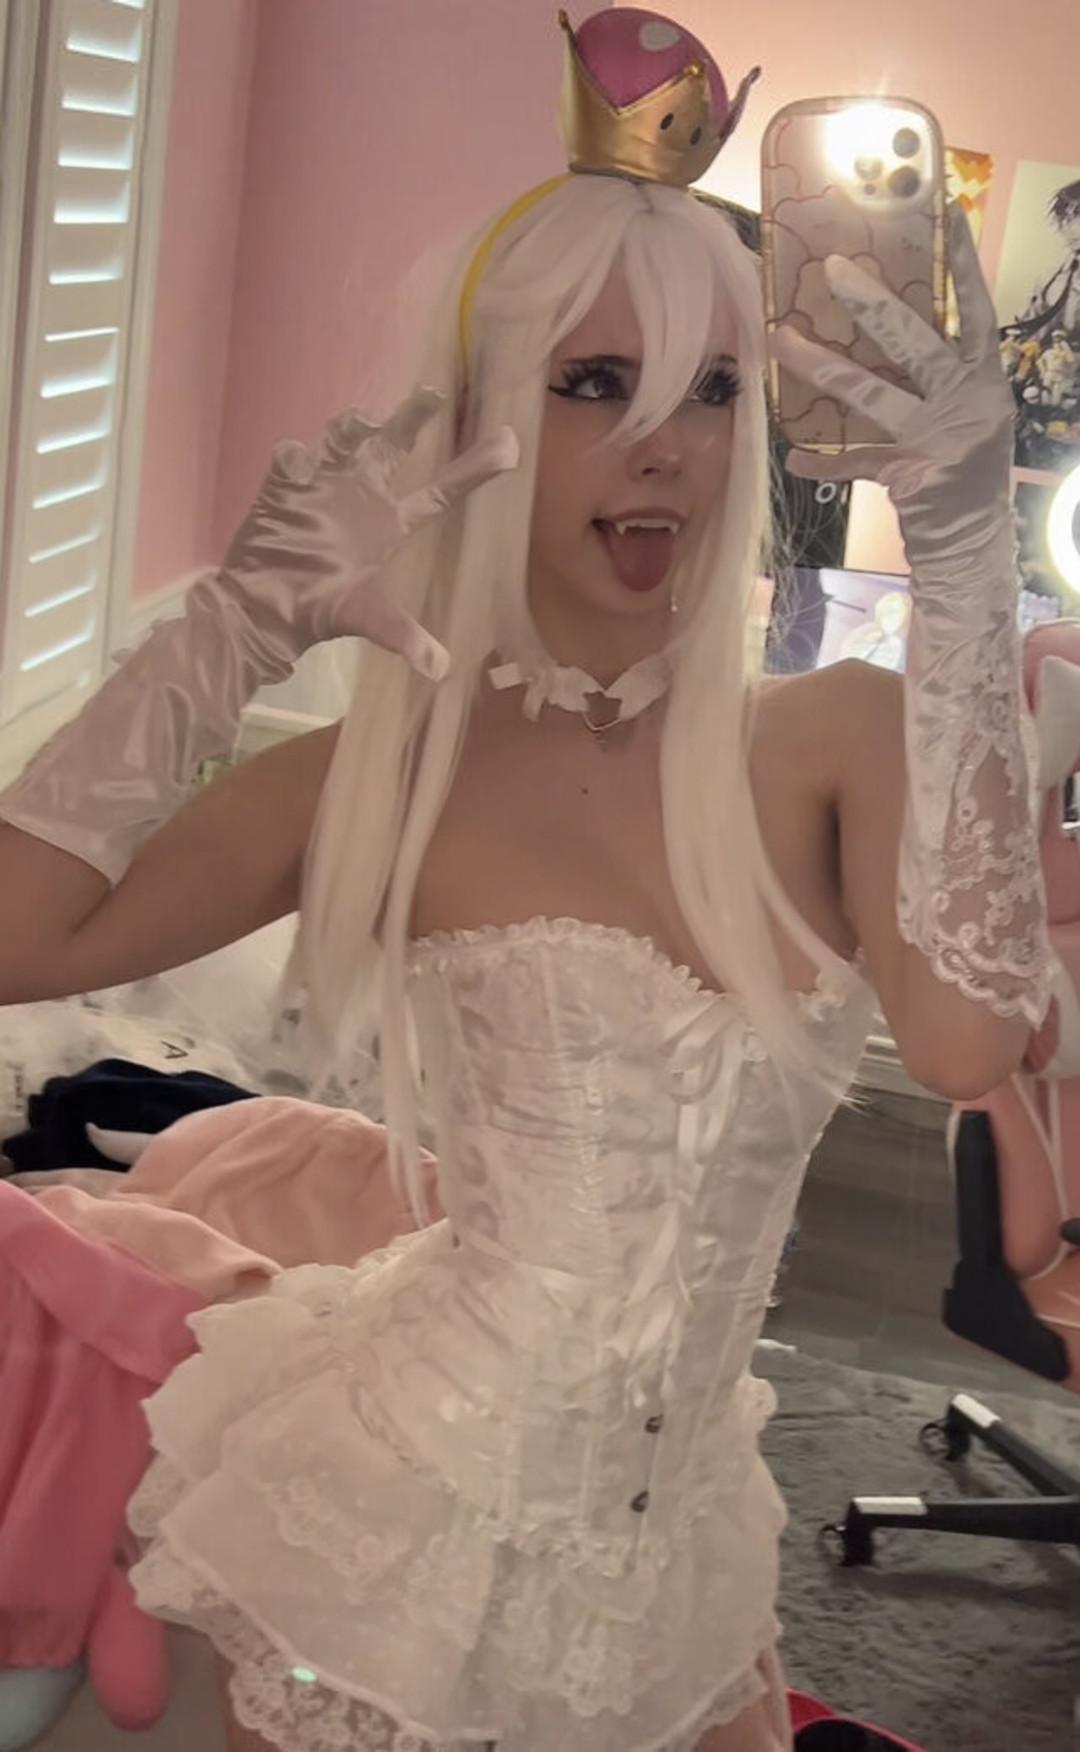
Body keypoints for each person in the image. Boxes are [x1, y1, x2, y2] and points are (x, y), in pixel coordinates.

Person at [0, 9, 1054, 1752]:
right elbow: (20, 937)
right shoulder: (393, 771)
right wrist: (229, 629)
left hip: (681, 1544)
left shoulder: (837, 736)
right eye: (591, 386)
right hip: (385, 1534)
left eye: (714, 391)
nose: (666, 448)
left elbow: (969, 1040)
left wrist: (961, 537)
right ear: (485, 414)